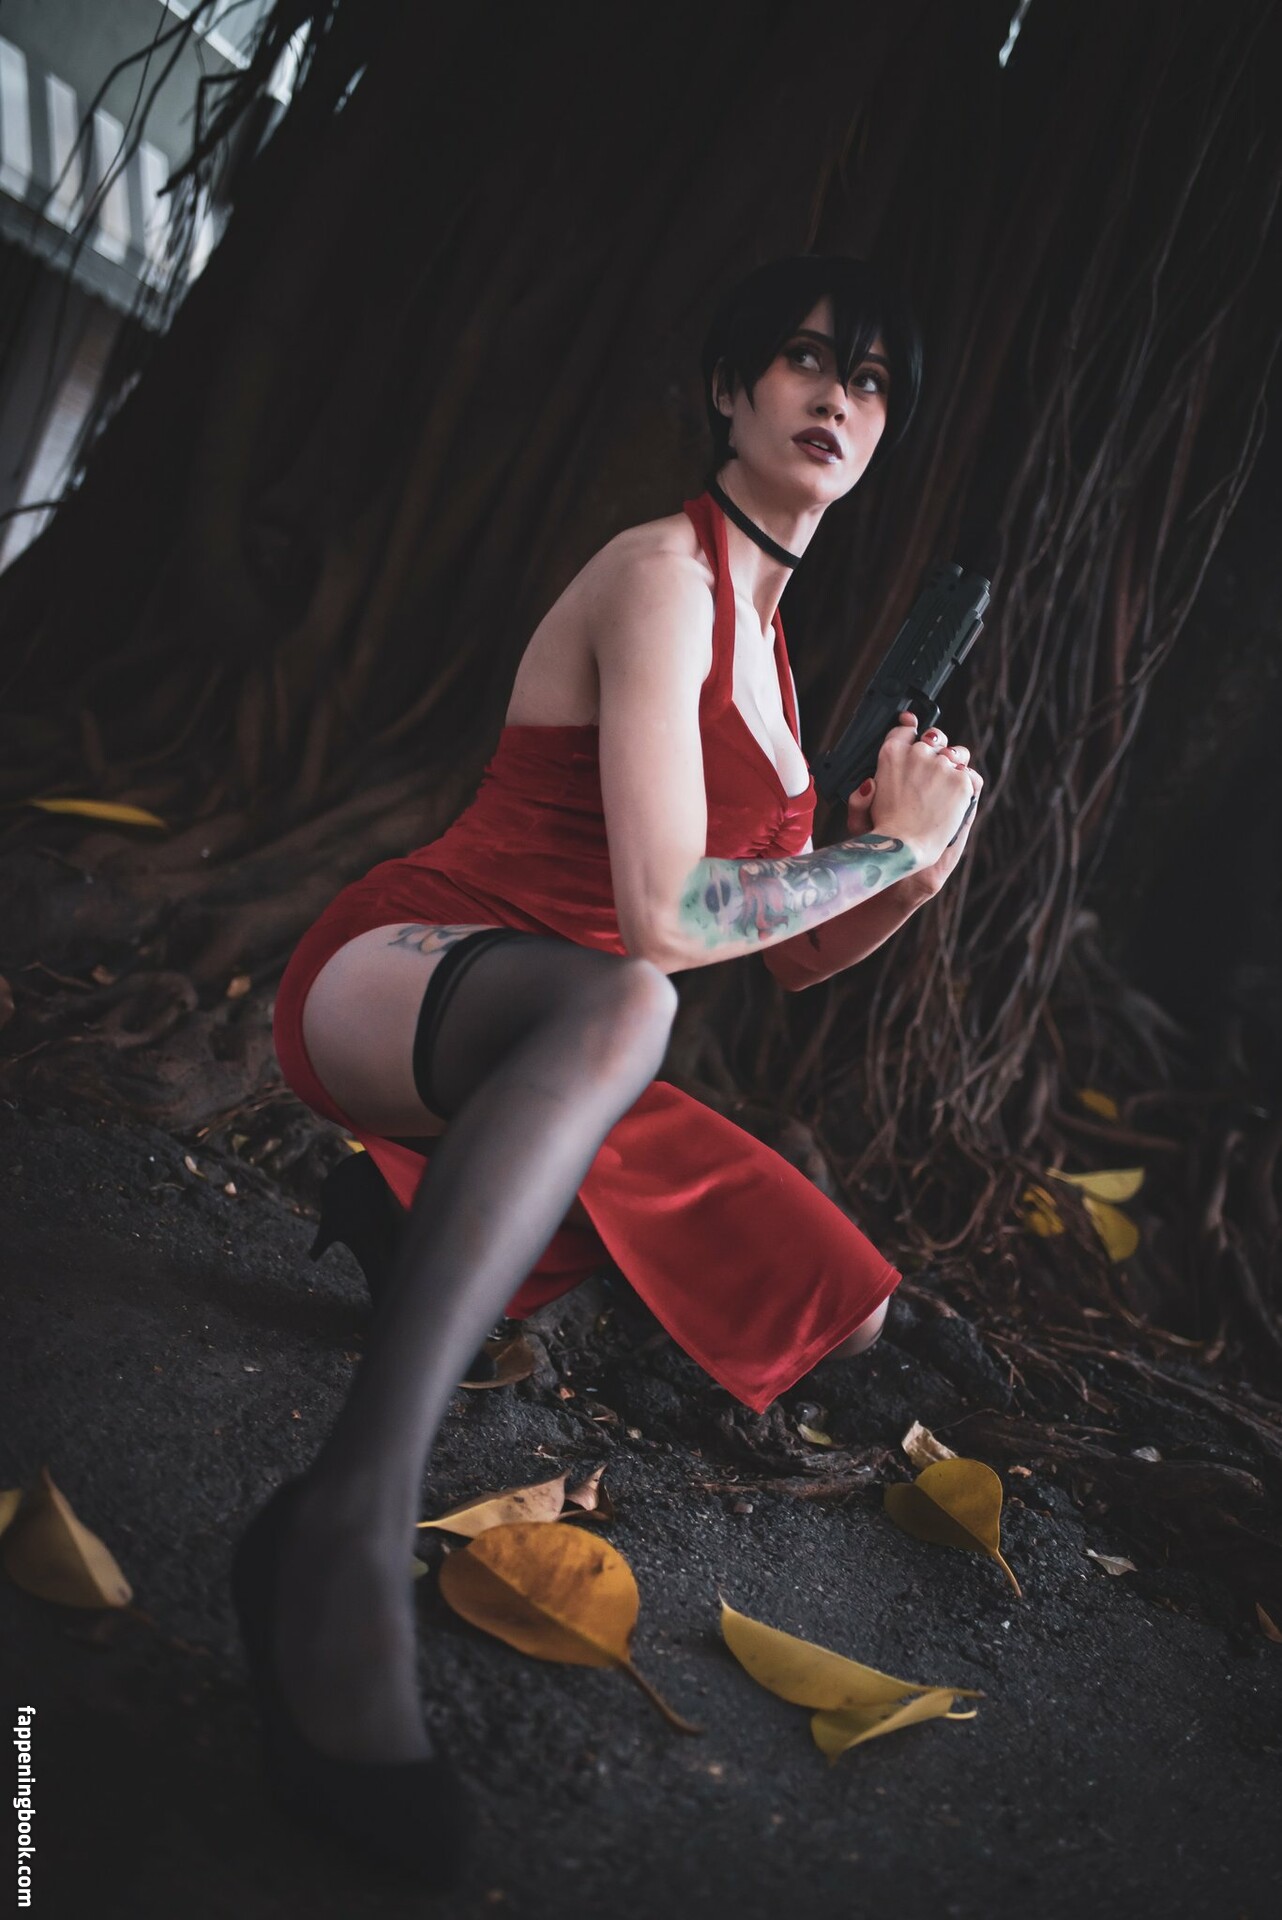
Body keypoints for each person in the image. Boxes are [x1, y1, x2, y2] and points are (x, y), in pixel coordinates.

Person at [232, 255, 982, 1884]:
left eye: (867, 382)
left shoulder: (775, 655)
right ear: (728, 389)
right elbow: (662, 919)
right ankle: (347, 1522)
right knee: (631, 1005)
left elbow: (783, 956)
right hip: (401, 967)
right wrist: (869, 858)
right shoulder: (660, 577)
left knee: (826, 1271)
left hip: (559, 1024)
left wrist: (906, 875)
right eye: (804, 360)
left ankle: (400, 1215)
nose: (834, 397)